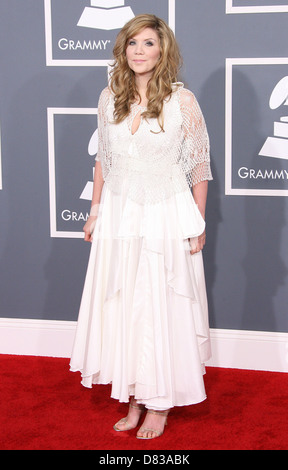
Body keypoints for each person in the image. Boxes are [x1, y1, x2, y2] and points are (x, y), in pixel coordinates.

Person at [70, 13, 213, 440]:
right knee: (124, 304)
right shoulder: (108, 96)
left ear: (162, 50)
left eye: (148, 43)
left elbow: (199, 168)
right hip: (119, 212)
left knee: (159, 304)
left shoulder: (182, 102)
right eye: (132, 43)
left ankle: (159, 403)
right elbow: (103, 163)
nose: (139, 51)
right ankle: (132, 395)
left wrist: (197, 221)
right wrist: (95, 210)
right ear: (123, 49)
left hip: (166, 212)